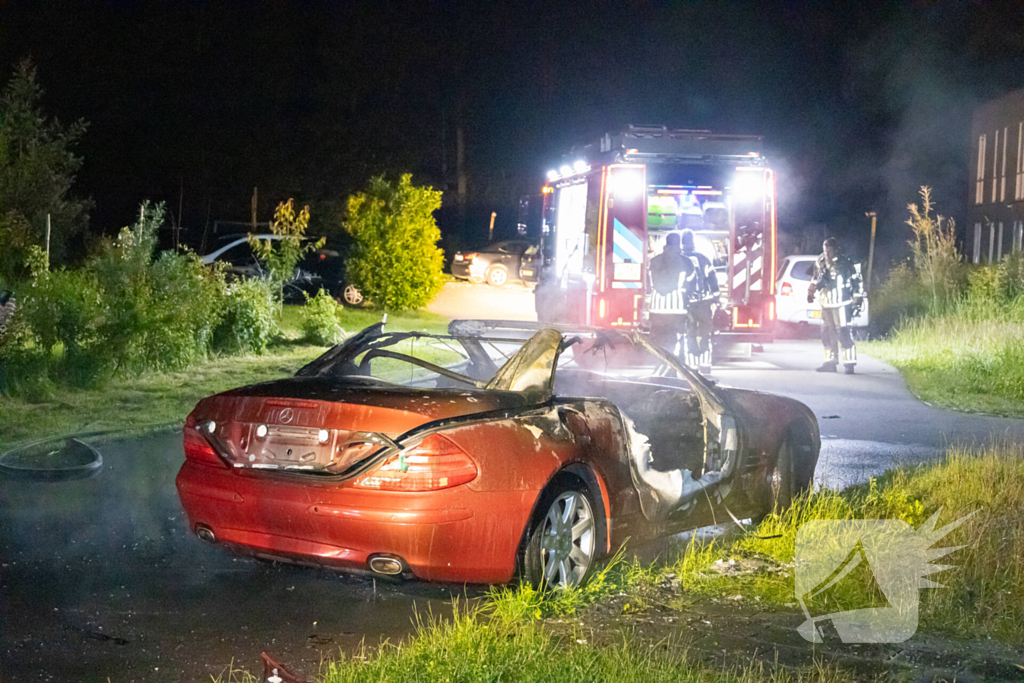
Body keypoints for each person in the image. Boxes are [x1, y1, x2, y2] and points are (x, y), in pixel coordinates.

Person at [807, 237, 864, 374]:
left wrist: (857, 298)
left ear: (835, 248)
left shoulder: (845, 263)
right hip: (826, 304)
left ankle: (849, 363)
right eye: (825, 249)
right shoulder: (820, 261)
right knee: (826, 333)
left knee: (843, 333)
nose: (827, 252)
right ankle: (830, 362)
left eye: (829, 249)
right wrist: (810, 292)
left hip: (842, 304)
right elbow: (815, 278)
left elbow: (857, 281)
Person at [679, 229, 719, 373]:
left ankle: (692, 365)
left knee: (689, 332)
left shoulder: (679, 258)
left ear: (682, 242)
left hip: (686, 303)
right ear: (693, 242)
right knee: (704, 332)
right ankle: (706, 364)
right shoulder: (703, 258)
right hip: (704, 303)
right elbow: (712, 279)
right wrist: (716, 298)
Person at [647, 233, 692, 354]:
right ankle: (672, 361)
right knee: (675, 338)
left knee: (658, 337)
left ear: (666, 243)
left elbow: (649, 283)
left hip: (656, 308)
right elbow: (690, 282)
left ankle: (659, 360)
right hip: (676, 309)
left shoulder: (654, 260)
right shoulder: (685, 261)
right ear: (679, 244)